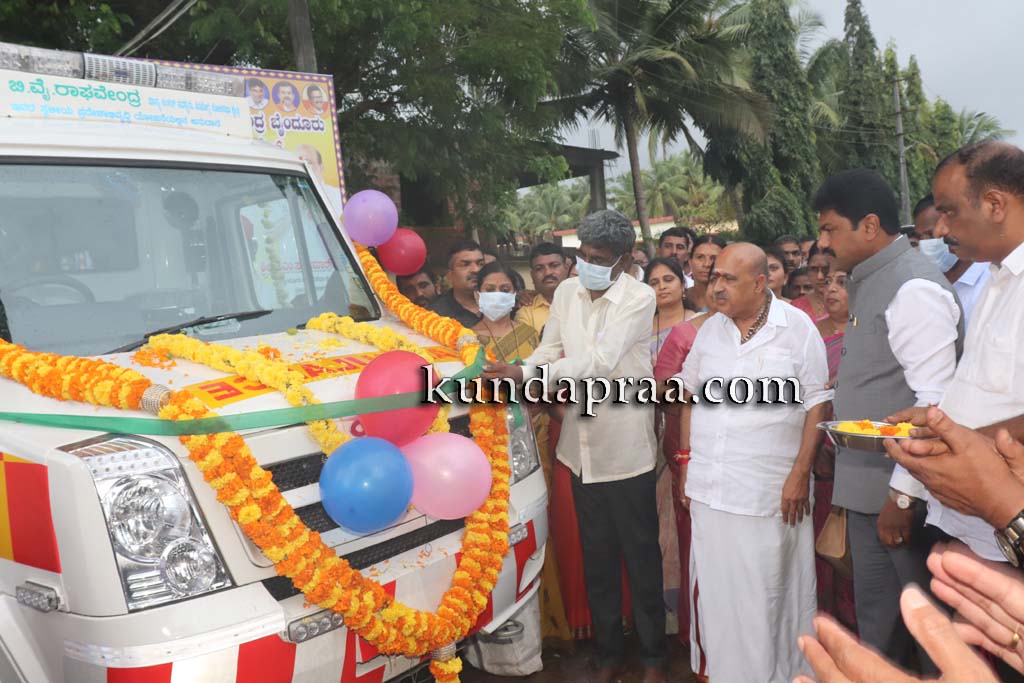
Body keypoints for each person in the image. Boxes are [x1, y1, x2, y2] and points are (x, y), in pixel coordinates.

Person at [483, 209, 666, 683]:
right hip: (578, 450)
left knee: (641, 559)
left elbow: (599, 362)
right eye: (582, 255)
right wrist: (526, 369)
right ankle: (608, 655)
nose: (587, 265)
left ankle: (652, 659)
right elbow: (551, 348)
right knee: (597, 558)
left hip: (625, 451)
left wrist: (527, 374)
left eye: (598, 259)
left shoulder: (639, 297)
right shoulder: (567, 291)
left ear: (625, 259)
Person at [814, 168, 963, 674]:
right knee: (880, 637)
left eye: (830, 229)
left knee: (932, 640)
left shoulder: (912, 288)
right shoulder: (872, 280)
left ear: (870, 226)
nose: (823, 242)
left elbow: (935, 403)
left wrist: (903, 497)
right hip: (869, 493)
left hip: (904, 499)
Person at [679, 243, 831, 683]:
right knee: (719, 597)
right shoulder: (709, 330)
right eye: (715, 277)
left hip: (770, 494)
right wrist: (685, 461)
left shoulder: (796, 327)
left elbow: (817, 403)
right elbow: (688, 395)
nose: (717, 287)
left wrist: (800, 474)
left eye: (729, 279)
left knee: (770, 595)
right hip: (711, 491)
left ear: (760, 283)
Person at [886, 143, 1024, 576]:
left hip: (1009, 525)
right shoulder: (999, 279)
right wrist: (940, 424)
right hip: (977, 528)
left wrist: (955, 440)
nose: (941, 228)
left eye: (948, 211)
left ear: (995, 205)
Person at [813, 269, 858, 630]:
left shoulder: (872, 334)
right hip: (819, 454)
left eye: (842, 283)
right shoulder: (810, 334)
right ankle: (826, 621)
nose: (831, 289)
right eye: (828, 282)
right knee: (825, 537)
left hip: (860, 455)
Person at [913, 193, 992, 328]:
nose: (925, 244)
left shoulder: (989, 280)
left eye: (930, 234)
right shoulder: (923, 285)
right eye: (920, 237)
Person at [516, 242, 569, 336]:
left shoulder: (584, 300)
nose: (548, 272)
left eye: (554, 265)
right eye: (539, 268)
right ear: (532, 275)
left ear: (566, 269)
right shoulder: (526, 314)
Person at [429, 240, 485, 328]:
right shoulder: (435, 317)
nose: (476, 270)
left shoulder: (501, 305)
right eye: (465, 264)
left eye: (480, 264)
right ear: (449, 275)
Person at [791, 244, 832, 321]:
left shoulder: (848, 303)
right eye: (814, 269)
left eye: (826, 269)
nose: (820, 276)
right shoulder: (796, 307)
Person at [685, 235, 725, 313]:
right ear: (690, 262)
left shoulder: (732, 300)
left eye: (714, 258)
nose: (707, 264)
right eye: (700, 257)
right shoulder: (680, 298)